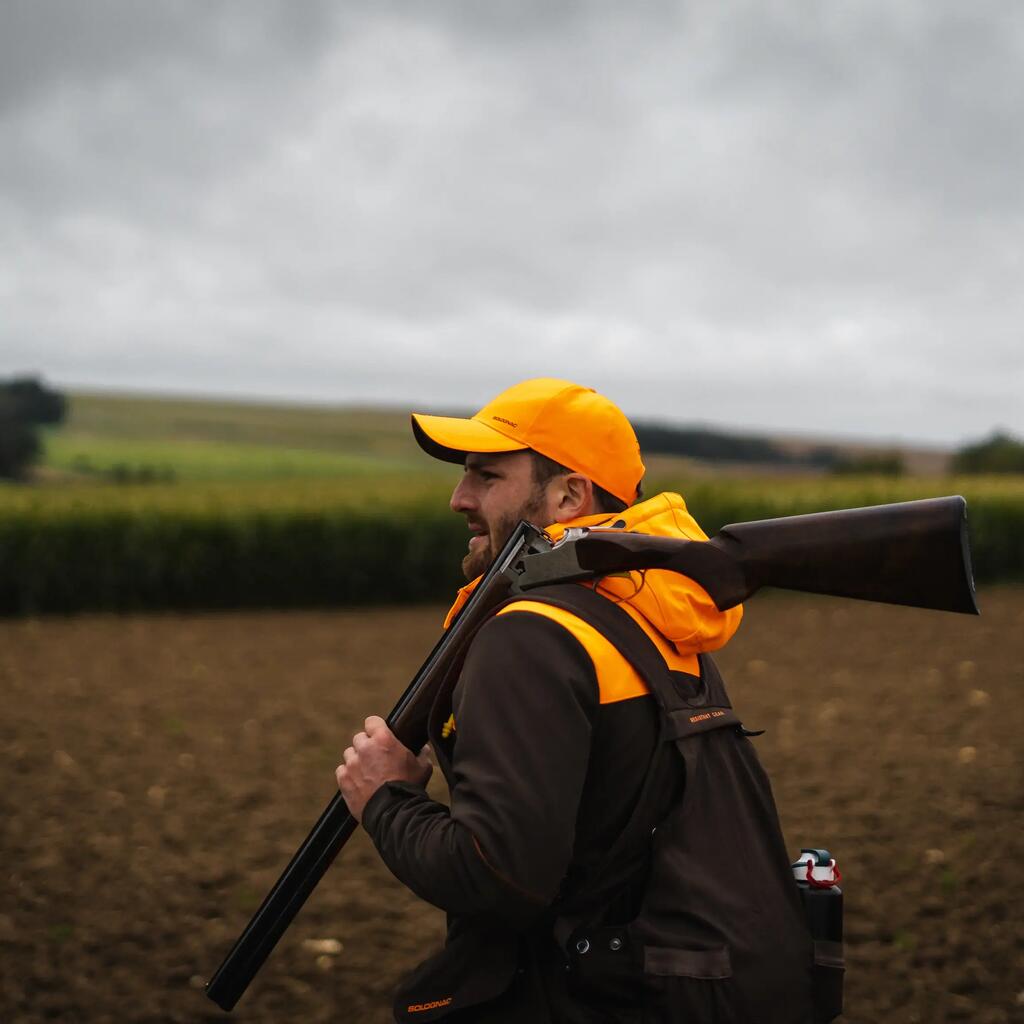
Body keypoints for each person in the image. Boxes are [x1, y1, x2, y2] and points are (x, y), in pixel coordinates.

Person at [336, 378, 818, 1023]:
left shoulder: (533, 634)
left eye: (487, 476)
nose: (459, 498)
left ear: (569, 496)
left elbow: (498, 877)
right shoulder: (646, 617)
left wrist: (386, 798)